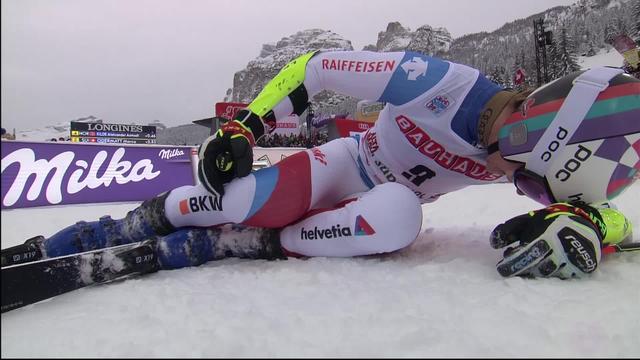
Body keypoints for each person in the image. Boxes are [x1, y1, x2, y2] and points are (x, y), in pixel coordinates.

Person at [3, 50, 639, 279]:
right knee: (228, 200)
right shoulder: (441, 83)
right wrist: (243, 126)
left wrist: (591, 226)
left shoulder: (542, 152)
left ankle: (242, 247)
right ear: (535, 125)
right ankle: (109, 232)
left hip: (373, 209)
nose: (516, 184)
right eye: (524, 174)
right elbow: (314, 65)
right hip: (341, 166)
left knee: (399, 214)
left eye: (531, 187)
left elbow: (620, 222)